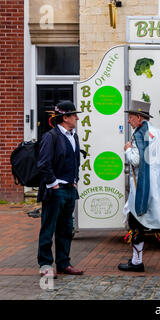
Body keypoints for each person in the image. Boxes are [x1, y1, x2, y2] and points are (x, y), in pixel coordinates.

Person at [118, 100, 160, 273]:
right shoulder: (159, 132)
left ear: (139, 117)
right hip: (158, 181)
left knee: (135, 220)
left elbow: (136, 160)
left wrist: (127, 149)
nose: (128, 120)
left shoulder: (138, 134)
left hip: (143, 181)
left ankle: (137, 261)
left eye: (130, 117)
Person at [37, 101, 84, 278]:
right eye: (74, 115)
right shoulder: (52, 136)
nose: (77, 118)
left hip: (69, 189)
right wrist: (54, 184)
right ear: (65, 118)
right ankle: (45, 264)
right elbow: (43, 164)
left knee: (66, 228)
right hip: (55, 190)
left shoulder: (74, 136)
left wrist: (75, 181)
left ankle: (64, 263)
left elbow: (75, 161)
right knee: (48, 228)